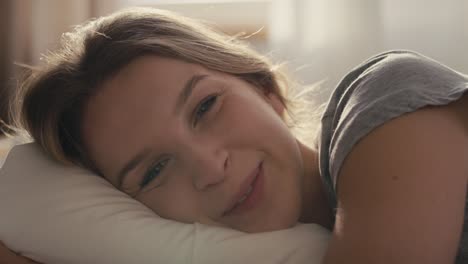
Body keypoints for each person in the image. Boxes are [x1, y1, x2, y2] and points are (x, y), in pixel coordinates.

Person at [1, 7, 467, 264]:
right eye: (156, 170)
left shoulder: (384, 101)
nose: (209, 166)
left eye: (205, 106)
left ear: (264, 89)